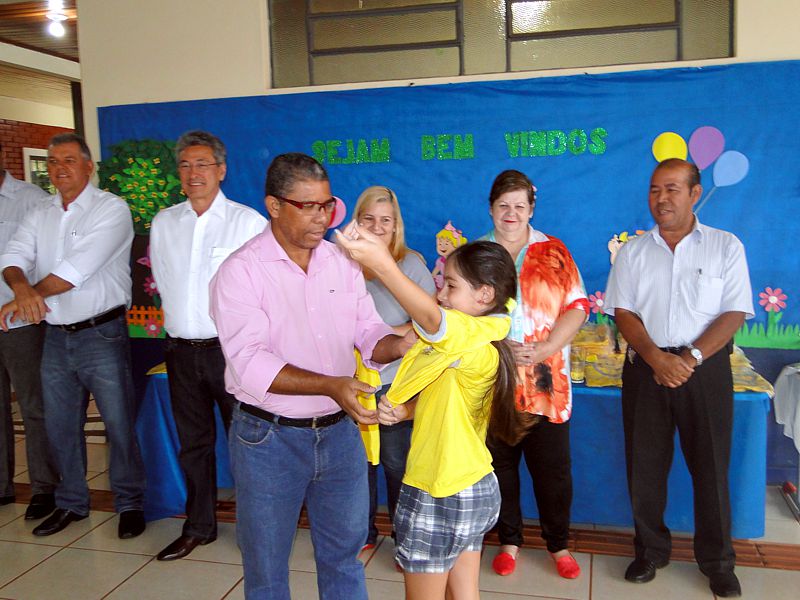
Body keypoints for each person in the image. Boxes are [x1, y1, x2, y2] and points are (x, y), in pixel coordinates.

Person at [209, 153, 412, 600]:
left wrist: (401, 343)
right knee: (266, 568)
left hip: (340, 436)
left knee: (343, 560)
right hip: (268, 440)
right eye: (309, 206)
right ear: (275, 206)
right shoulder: (240, 272)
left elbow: (367, 329)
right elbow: (251, 362)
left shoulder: (340, 262)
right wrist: (331, 385)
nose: (322, 218)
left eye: (327, 205)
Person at [338, 227, 525, 600]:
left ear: (485, 294)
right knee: (463, 594)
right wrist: (406, 410)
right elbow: (443, 399)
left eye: (451, 286)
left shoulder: (473, 347)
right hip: (473, 486)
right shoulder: (473, 344)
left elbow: (434, 323)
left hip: (439, 490)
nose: (441, 294)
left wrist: (385, 266)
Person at [604, 158, 753, 598]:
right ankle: (650, 551)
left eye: (672, 189)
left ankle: (718, 562)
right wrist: (654, 356)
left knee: (710, 468)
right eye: (654, 190)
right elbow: (624, 312)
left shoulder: (725, 246)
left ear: (694, 193)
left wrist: (689, 357)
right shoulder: (633, 251)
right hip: (646, 371)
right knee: (644, 467)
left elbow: (734, 312)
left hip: (703, 371)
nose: (661, 198)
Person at [0, 133, 146, 539]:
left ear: (88, 166)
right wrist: (21, 289)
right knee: (60, 425)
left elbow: (75, 272)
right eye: (52, 162)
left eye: (68, 160)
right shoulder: (41, 212)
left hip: (102, 334)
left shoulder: (111, 210)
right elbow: (12, 257)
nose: (59, 168)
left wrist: (25, 296)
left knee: (118, 424)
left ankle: (130, 502)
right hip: (54, 337)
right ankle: (71, 503)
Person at [150, 131, 267, 561]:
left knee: (248, 444)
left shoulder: (247, 222)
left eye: (202, 164)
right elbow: (163, 280)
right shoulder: (165, 222)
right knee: (193, 444)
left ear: (221, 169)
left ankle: (258, 530)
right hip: (180, 350)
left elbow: (264, 293)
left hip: (232, 352)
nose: (193, 173)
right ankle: (199, 526)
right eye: (185, 165)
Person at [480, 170, 589, 579]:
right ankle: (508, 540)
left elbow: (577, 306)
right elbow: (455, 315)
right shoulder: (474, 256)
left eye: (519, 206)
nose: (511, 213)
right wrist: (494, 345)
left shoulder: (553, 251)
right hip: (494, 383)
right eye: (503, 205)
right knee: (499, 468)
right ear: (491, 207)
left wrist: (545, 348)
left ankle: (558, 544)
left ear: (532, 209)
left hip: (547, 385)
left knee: (553, 472)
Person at [352, 185, 436, 550]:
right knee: (356, 466)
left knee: (395, 464)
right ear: (357, 221)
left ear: (396, 225)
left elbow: (431, 322)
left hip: (395, 384)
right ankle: (362, 533)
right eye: (368, 219)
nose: (377, 226)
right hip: (350, 382)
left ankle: (405, 538)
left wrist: (377, 337)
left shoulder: (412, 265)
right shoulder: (340, 264)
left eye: (385, 220)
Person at [0, 143, 59, 521]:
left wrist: (23, 294)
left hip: (19, 322)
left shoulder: (30, 198)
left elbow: (40, 257)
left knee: (34, 407)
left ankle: (44, 488)